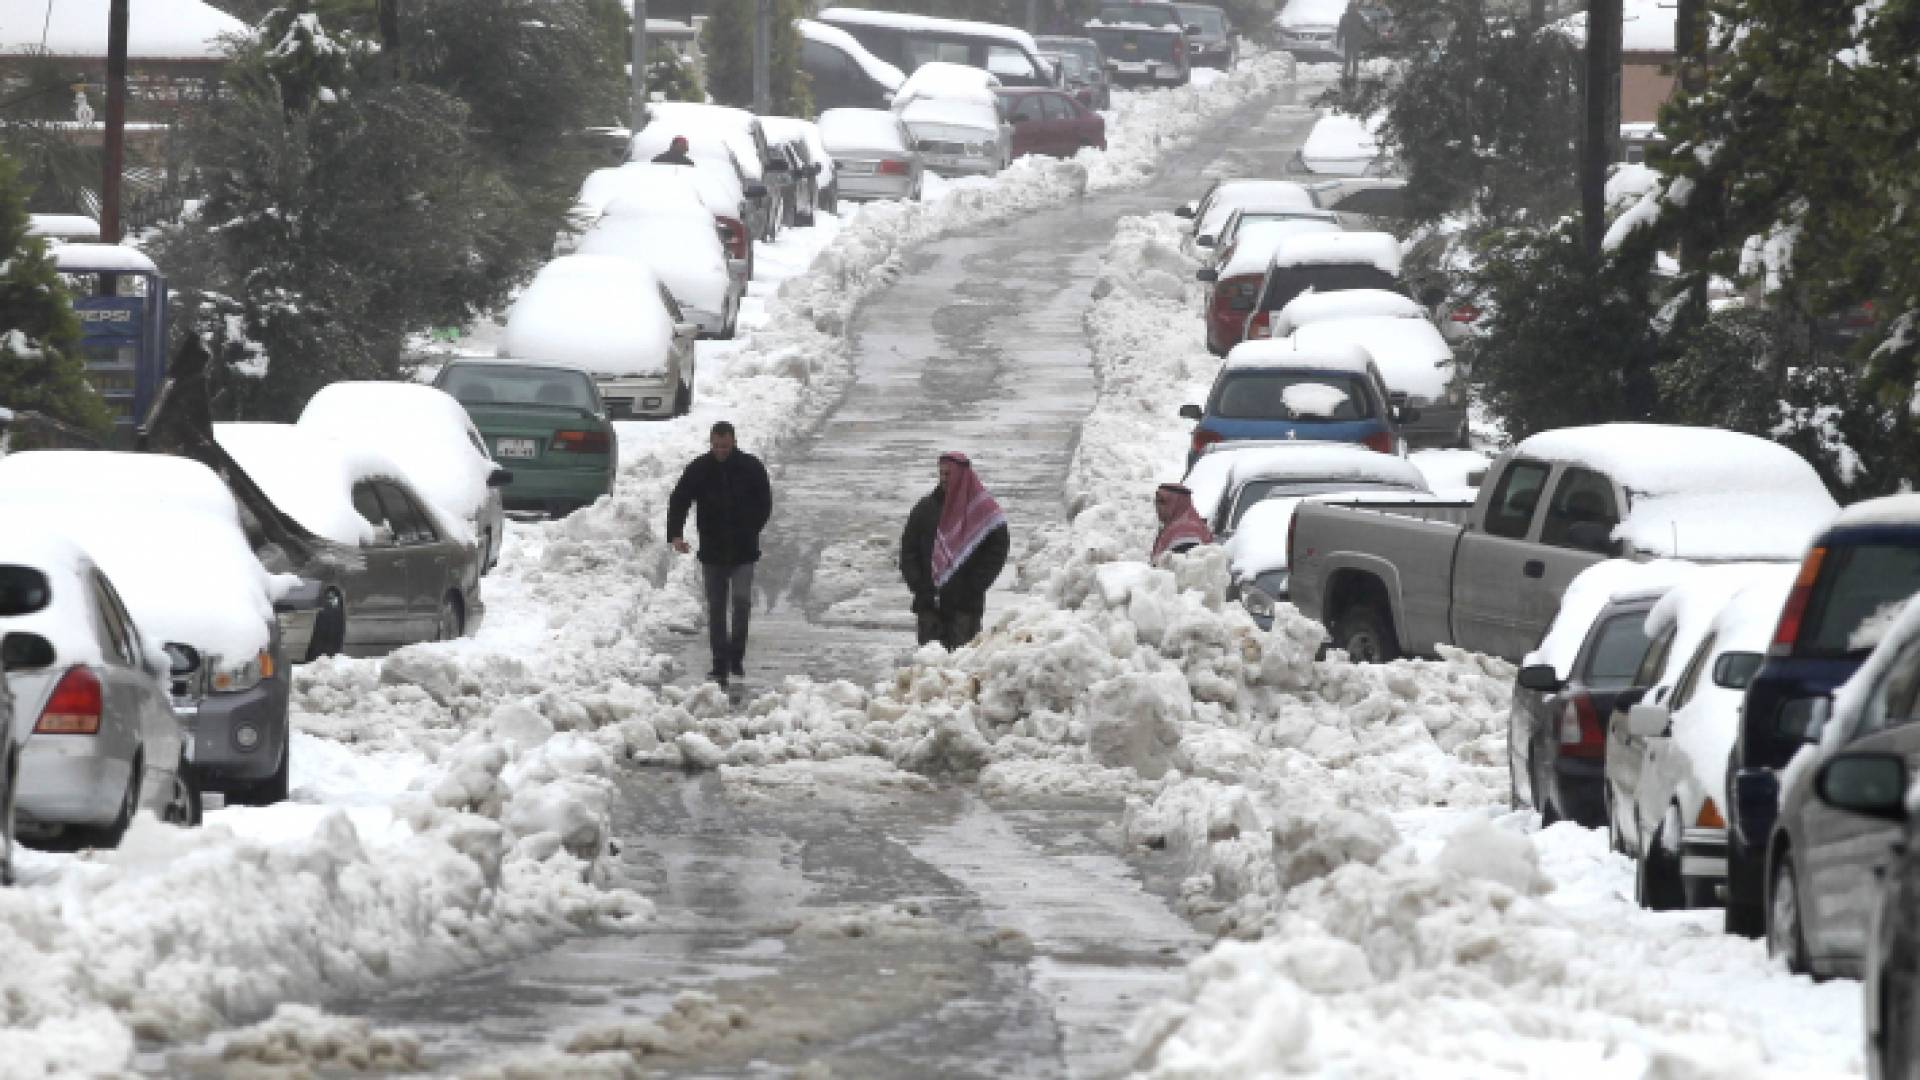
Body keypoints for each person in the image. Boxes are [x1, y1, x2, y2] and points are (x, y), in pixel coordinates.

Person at [667, 421, 773, 687]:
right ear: (710, 443)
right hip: (712, 551)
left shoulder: (750, 467)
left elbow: (765, 501)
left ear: (734, 442)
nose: (720, 451)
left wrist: (752, 529)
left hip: (743, 550)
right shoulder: (700, 469)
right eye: (716, 446)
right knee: (716, 608)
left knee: (741, 601)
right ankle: (719, 664)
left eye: (725, 446)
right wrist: (676, 534)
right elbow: (679, 499)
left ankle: (736, 655)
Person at [900, 452, 1009, 650]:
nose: (943, 478)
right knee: (931, 668)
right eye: (941, 473)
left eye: (948, 474)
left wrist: (975, 585)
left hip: (965, 607)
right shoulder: (925, 509)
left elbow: (997, 550)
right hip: (930, 605)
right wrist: (919, 585)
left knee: (962, 665)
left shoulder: (981, 511)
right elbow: (908, 551)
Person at [1150, 482, 1213, 562]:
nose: (1157, 507)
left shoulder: (1186, 532)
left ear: (1177, 503)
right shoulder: (1175, 526)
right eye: (1156, 502)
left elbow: (1184, 569)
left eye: (1162, 502)